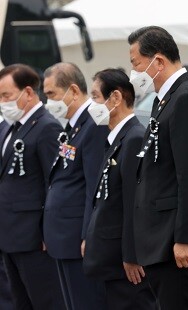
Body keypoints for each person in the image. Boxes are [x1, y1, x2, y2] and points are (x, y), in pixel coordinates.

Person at [128, 26, 188, 309]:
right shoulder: (167, 99)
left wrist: (185, 238)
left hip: (174, 240)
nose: (134, 72)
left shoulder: (187, 97)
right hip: (160, 239)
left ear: (158, 62)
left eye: (136, 64)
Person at [82, 68, 158, 310]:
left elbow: (134, 202)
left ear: (115, 98)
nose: (91, 103)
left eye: (95, 96)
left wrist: (132, 255)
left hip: (125, 262)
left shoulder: (134, 137)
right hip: (111, 256)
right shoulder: (116, 137)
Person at [42, 62, 109, 310]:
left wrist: (87, 235)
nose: (48, 102)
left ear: (72, 90)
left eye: (51, 94)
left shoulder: (93, 124)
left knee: (86, 302)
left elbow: (94, 186)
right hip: (62, 237)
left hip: (77, 239)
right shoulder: (74, 126)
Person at [0, 64, 65, 309]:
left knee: (44, 300)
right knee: (19, 301)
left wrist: (46, 231)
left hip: (33, 237)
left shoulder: (47, 126)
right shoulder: (10, 128)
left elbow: (54, 182)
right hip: (10, 234)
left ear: (28, 92)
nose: (3, 102)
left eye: (6, 96)